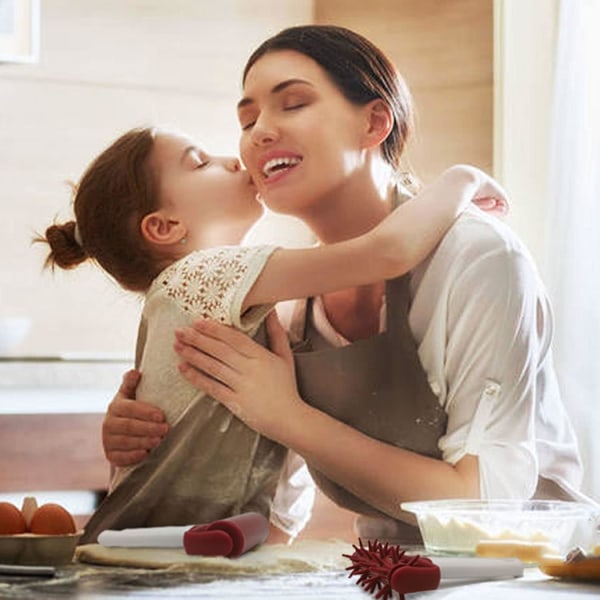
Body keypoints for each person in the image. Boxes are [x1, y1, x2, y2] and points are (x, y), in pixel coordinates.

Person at [102, 25, 590, 545]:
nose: (257, 134)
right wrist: (154, 431)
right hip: (385, 574)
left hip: (533, 576)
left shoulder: (478, 258)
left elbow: (482, 513)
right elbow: (275, 518)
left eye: (292, 104)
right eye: (247, 119)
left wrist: (288, 416)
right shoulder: (284, 303)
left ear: (376, 121)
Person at [38, 124, 504, 542]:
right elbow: (388, 252)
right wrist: (462, 179)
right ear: (164, 226)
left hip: (175, 546)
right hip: (158, 548)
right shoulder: (204, 273)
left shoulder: (222, 304)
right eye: (200, 163)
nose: (233, 160)